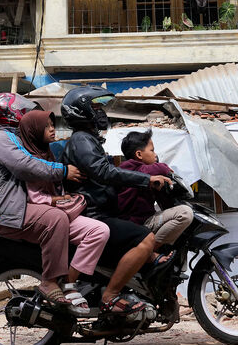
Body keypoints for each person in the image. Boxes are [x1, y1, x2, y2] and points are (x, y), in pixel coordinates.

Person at [60, 86, 174, 316]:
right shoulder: (82, 140)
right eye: (96, 107)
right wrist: (146, 179)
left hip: (101, 212)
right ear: (82, 111)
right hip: (93, 214)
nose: (101, 112)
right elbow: (103, 172)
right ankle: (111, 296)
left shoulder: (89, 140)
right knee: (145, 238)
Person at [0, 93, 86, 313]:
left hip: (7, 206)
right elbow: (24, 165)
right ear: (9, 114)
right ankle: (50, 282)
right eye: (20, 109)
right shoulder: (3, 137)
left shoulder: (15, 139)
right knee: (55, 220)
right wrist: (62, 171)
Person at [17, 109, 110, 315]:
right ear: (34, 130)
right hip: (43, 216)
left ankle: (69, 283)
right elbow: (31, 196)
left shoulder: (48, 152)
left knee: (99, 231)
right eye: (47, 126)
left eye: (53, 125)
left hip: (59, 212)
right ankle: (59, 284)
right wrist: (55, 199)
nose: (52, 130)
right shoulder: (27, 159)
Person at [117, 129, 193, 267]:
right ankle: (145, 252)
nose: (155, 155)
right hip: (136, 223)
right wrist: (164, 168)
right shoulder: (128, 168)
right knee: (185, 213)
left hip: (143, 221)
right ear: (139, 154)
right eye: (152, 151)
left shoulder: (146, 176)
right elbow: (155, 170)